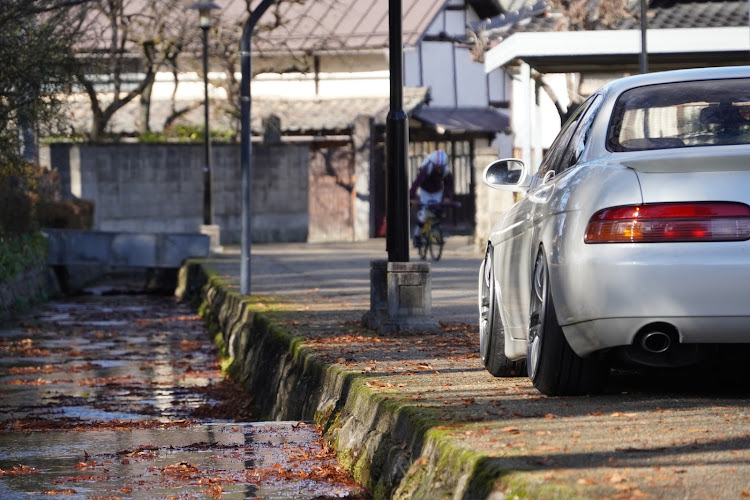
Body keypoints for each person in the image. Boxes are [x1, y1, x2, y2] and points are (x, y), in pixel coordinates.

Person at [409, 149, 454, 248]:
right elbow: (416, 183)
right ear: (434, 164)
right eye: (438, 167)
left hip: (437, 191)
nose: (440, 169)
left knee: (437, 211)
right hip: (425, 191)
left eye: (441, 167)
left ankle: (435, 231)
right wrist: (411, 197)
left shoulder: (446, 171)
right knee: (423, 214)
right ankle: (417, 235)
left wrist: (447, 196)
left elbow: (449, 184)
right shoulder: (426, 169)